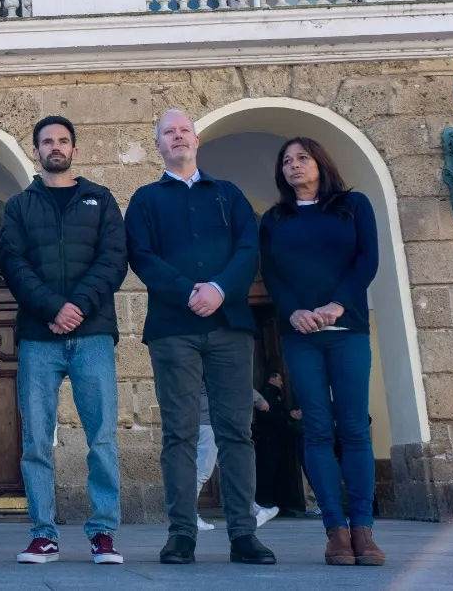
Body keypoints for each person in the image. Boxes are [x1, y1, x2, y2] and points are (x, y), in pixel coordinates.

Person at [125, 109, 275, 566]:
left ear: (196, 139)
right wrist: (188, 291)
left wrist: (219, 289)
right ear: (158, 145)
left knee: (236, 433)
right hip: (173, 331)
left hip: (230, 327)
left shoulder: (229, 194)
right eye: (168, 132)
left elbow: (249, 248)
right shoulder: (146, 199)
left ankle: (243, 534)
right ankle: (181, 533)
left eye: (184, 130)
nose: (178, 137)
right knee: (179, 434)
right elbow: (141, 256)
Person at [0, 116, 128, 565]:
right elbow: (13, 264)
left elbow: (113, 260)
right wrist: (54, 308)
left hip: (92, 335)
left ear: (74, 149)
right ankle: (43, 535)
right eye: (47, 141)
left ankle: (103, 533)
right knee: (36, 439)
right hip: (39, 337)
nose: (55, 146)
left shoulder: (101, 199)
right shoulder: (19, 206)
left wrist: (77, 308)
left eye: (63, 140)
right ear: (36, 150)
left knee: (102, 437)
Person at [259, 137, 384, 566]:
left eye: (302, 158)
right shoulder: (275, 219)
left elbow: (367, 260)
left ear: (320, 163)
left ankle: (363, 530)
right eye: (287, 161)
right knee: (316, 429)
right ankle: (336, 532)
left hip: (347, 330)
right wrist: (292, 311)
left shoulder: (353, 206)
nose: (294, 165)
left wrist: (338, 304)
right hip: (301, 335)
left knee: (354, 427)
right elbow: (272, 274)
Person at [194, 389, 279, 532]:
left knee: (230, 469)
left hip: (206, 419)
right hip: (208, 420)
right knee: (203, 470)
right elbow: (232, 381)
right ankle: (190, 516)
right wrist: (258, 399)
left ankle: (253, 510)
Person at [253, 370, 304, 515]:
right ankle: (269, 503)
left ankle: (274, 503)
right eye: (280, 380)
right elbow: (272, 415)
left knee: (275, 471)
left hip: (273, 439)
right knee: (271, 471)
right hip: (270, 439)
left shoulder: (272, 393)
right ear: (273, 378)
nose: (282, 383)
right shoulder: (269, 393)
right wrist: (289, 415)